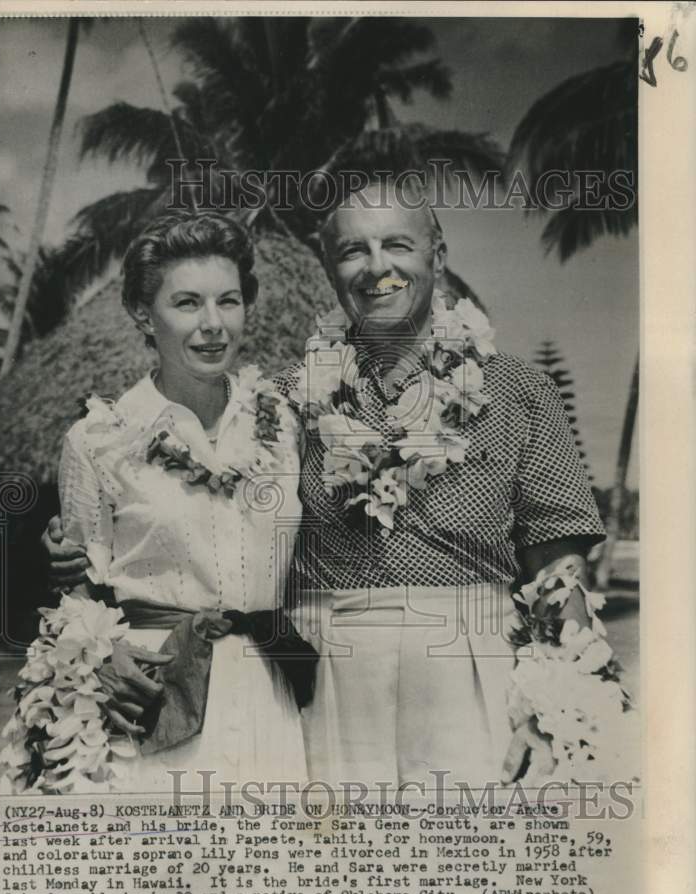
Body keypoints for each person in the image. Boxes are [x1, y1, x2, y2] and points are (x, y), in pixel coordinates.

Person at [46, 177, 606, 789]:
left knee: (469, 872)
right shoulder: (284, 403)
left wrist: (554, 704)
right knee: (326, 878)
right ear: (330, 269)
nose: (377, 268)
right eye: (351, 251)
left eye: (397, 244)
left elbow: (559, 567)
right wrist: (73, 566)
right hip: (322, 682)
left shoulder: (521, 392)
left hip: (473, 670)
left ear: (438, 256)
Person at [9, 210, 310, 792]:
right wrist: (106, 658)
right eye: (187, 303)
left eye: (228, 301)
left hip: (270, 687)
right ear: (143, 314)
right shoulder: (99, 438)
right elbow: (75, 586)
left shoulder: (283, 424)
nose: (213, 324)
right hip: (155, 690)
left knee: (269, 876)